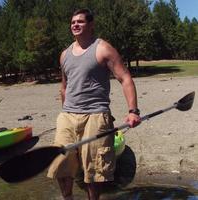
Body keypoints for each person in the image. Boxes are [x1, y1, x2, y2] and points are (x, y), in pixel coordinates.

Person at [47, 8, 141, 200]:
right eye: (73, 22)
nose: (75, 25)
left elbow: (125, 78)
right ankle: (68, 198)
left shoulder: (102, 48)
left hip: (96, 115)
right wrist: (65, 112)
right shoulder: (64, 55)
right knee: (61, 161)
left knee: (94, 168)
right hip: (68, 115)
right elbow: (64, 87)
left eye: (80, 22)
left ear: (91, 25)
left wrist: (133, 111)